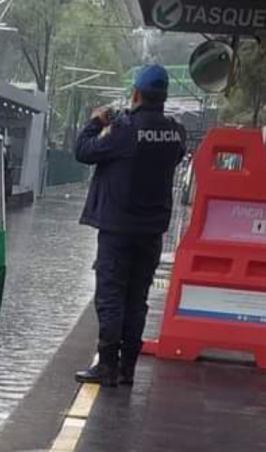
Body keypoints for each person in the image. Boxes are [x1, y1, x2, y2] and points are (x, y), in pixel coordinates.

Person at [74, 64, 186, 387]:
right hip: (151, 232)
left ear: (136, 93)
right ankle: (128, 368)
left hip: (118, 229)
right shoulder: (174, 133)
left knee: (110, 296)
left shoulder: (124, 132)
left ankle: (107, 365)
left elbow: (84, 151)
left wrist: (97, 121)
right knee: (137, 298)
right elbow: (173, 156)